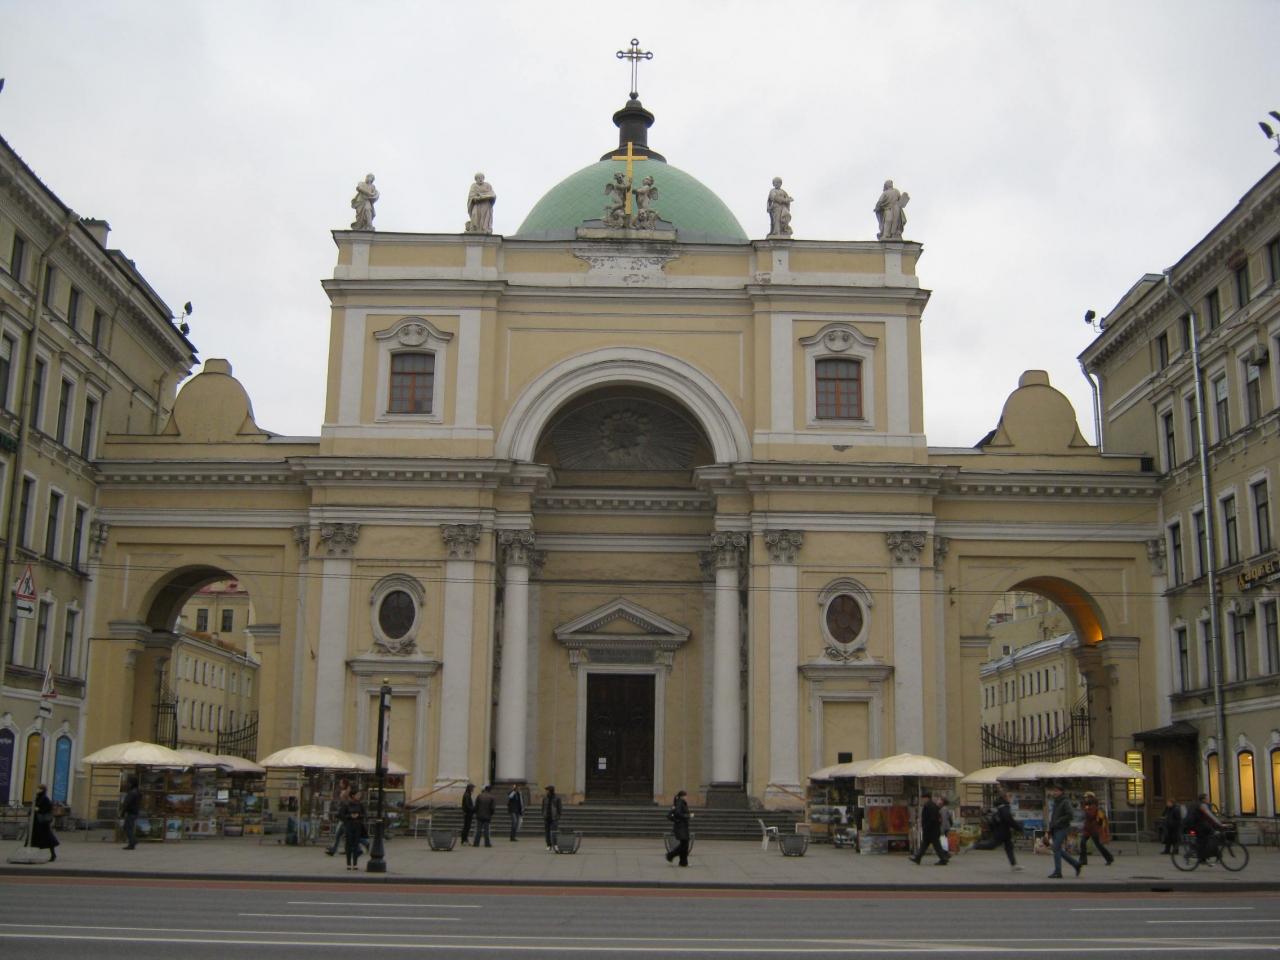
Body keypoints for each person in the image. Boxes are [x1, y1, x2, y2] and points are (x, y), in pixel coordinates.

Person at [1046, 783, 1082, 878]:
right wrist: (1051, 827)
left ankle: (1058, 872)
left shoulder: (1065, 801)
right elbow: (1054, 816)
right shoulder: (1056, 801)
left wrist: (1059, 820)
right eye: (1054, 791)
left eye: (1056, 791)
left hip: (1062, 828)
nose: (1054, 792)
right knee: (1057, 849)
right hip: (1055, 828)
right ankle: (1076, 864)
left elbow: (1070, 814)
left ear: (1061, 792)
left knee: (1055, 848)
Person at [911, 793, 949, 865]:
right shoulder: (931, 805)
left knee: (936, 845)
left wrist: (926, 827)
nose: (921, 800)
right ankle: (917, 858)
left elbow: (932, 819)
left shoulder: (929, 805)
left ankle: (943, 859)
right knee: (925, 844)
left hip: (931, 830)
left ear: (926, 798)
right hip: (932, 830)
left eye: (922, 798)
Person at [1079, 791, 1114, 866]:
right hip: (1087, 828)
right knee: (1082, 842)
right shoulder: (1087, 806)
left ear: (1090, 798)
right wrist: (1084, 807)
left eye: (1086, 797)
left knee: (1098, 845)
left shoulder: (1093, 806)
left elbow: (1091, 815)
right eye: (1085, 798)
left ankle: (1109, 858)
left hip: (1094, 829)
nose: (1085, 799)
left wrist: (1085, 808)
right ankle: (1083, 860)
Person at [1187, 793, 1223, 862]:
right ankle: (1203, 857)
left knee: (1204, 840)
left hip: (1196, 825)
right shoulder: (1202, 805)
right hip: (1200, 826)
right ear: (1203, 799)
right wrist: (1219, 824)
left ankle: (1203, 857)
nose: (1208, 799)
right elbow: (1210, 816)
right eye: (1207, 798)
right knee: (1208, 839)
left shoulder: (1197, 804)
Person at [340, 788, 366, 871]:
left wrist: (358, 816)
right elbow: (341, 815)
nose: (359, 796)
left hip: (357, 826)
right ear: (353, 795)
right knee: (349, 844)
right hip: (349, 825)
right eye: (358, 795)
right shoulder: (346, 804)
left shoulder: (360, 804)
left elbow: (364, 814)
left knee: (356, 844)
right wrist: (350, 816)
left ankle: (355, 863)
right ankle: (348, 863)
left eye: (359, 795)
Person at [31, 784, 59, 862]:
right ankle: (31, 854)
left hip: (42, 823)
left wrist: (38, 809)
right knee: (33, 838)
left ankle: (53, 854)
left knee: (47, 838)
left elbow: (47, 809)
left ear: (42, 790)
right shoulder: (37, 797)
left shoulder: (45, 798)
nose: (37, 790)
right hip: (36, 822)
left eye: (39, 789)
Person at [665, 789, 691, 867]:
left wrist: (677, 820)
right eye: (686, 796)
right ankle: (670, 855)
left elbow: (671, 814)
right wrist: (687, 816)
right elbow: (677, 813)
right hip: (681, 827)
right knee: (684, 845)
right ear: (682, 796)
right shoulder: (680, 803)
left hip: (682, 826)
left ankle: (683, 863)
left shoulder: (679, 803)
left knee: (684, 845)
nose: (686, 797)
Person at [325, 778, 351, 856]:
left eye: (341, 783)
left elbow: (347, 802)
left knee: (342, 835)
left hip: (345, 818)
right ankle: (334, 850)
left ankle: (362, 845)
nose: (340, 784)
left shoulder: (347, 794)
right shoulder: (345, 793)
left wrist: (345, 794)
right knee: (341, 835)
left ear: (344, 784)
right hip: (343, 818)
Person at [121, 775, 141, 850]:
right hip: (135, 812)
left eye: (128, 782)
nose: (127, 784)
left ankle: (133, 841)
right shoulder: (137, 791)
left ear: (131, 783)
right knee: (128, 827)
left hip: (131, 812)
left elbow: (126, 803)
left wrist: (123, 812)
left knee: (127, 828)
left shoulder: (132, 793)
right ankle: (132, 842)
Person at [541, 784, 562, 851]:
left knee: (554, 832)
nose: (546, 791)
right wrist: (543, 814)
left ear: (551, 790)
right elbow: (543, 807)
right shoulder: (545, 798)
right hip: (547, 817)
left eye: (547, 790)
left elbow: (559, 808)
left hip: (554, 817)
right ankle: (548, 845)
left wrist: (558, 816)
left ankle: (555, 844)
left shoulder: (557, 798)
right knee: (547, 832)